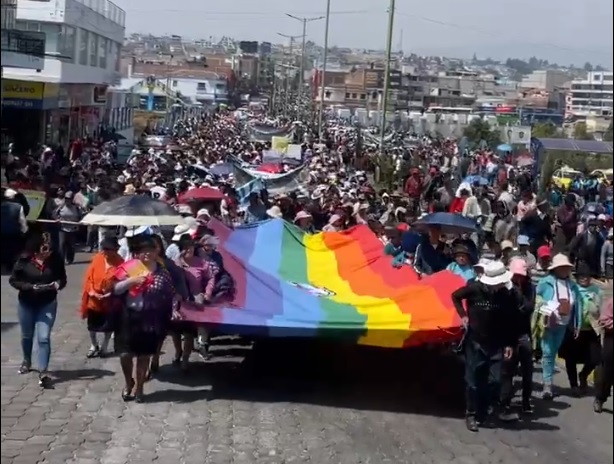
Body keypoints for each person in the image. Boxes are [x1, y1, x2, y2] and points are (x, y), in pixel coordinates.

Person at [451, 261, 516, 432]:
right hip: (475, 342)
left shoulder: (505, 295)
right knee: (472, 382)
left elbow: (509, 321)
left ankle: (484, 409)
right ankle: (471, 414)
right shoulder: (474, 288)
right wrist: (463, 315)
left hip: (496, 343)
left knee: (495, 380)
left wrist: (509, 343)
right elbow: (455, 296)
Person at [112, 235, 175, 402]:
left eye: (150, 250)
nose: (146, 254)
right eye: (142, 251)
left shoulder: (162, 273)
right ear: (137, 253)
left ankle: (140, 387)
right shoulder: (129, 268)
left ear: (156, 252)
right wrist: (130, 281)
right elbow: (116, 289)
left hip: (150, 319)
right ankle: (128, 382)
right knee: (125, 354)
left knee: (144, 355)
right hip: (128, 316)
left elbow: (169, 295)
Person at [9, 231, 67, 388]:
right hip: (27, 302)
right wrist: (29, 287)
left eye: (49, 248)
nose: (47, 251)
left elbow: (63, 279)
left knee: (43, 337)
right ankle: (26, 360)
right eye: (44, 247)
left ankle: (43, 371)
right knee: (27, 335)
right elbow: (13, 280)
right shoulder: (24, 260)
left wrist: (57, 284)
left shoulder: (56, 260)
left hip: (47, 303)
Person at [534, 253, 583, 399]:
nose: (564, 270)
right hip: (548, 324)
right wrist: (545, 309)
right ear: (555, 269)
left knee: (553, 352)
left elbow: (578, 305)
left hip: (564, 325)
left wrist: (577, 324)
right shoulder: (545, 282)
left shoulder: (573, 286)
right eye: (561, 267)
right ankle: (547, 386)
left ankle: (548, 381)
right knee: (548, 353)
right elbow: (537, 298)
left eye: (566, 267)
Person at [558, 264, 603, 396]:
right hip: (573, 329)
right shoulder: (572, 289)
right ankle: (574, 385)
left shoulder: (596, 290)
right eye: (581, 276)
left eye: (587, 276)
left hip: (590, 329)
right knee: (570, 358)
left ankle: (583, 375)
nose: (584, 279)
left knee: (595, 359)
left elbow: (600, 308)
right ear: (577, 277)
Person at [500, 258, 535, 417]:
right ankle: (505, 402)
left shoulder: (529, 288)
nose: (519, 278)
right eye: (516, 275)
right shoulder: (505, 288)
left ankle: (526, 400)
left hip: (523, 333)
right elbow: (506, 311)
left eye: (522, 275)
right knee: (508, 370)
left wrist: (519, 294)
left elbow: (528, 308)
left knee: (527, 369)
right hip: (508, 335)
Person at [80, 236, 124, 358]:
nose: (106, 252)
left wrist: (112, 292)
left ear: (115, 249)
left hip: (109, 300)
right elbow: (89, 277)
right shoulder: (97, 258)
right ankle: (94, 345)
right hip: (94, 299)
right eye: (104, 248)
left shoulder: (121, 262)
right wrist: (92, 291)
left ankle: (105, 346)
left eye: (109, 249)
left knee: (108, 325)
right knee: (92, 326)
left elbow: (121, 281)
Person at [594, 297, 613, 413]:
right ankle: (600, 398)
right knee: (608, 371)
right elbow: (604, 320)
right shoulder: (611, 302)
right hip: (612, 338)